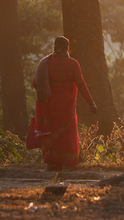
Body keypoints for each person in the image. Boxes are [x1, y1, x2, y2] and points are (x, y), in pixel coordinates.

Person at [32, 36, 97, 171]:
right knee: (67, 132)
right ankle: (66, 162)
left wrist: (50, 88)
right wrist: (91, 103)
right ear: (68, 48)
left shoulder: (46, 63)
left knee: (51, 130)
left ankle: (51, 162)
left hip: (50, 103)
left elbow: (35, 83)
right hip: (67, 105)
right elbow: (81, 84)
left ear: (54, 47)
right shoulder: (73, 64)